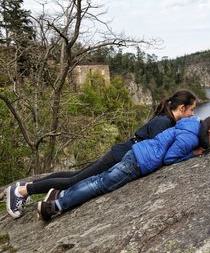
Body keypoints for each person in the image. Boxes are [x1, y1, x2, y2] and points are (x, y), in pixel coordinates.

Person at [6, 90, 197, 218]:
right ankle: (22, 191)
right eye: (192, 110)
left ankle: (27, 186)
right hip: (121, 156)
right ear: (181, 108)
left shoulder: (166, 120)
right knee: (74, 180)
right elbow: (157, 151)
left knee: (75, 175)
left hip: (121, 152)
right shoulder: (164, 122)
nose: (193, 114)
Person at [37, 116, 210, 221]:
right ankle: (55, 206)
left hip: (136, 152)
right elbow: (170, 158)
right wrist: (192, 154)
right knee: (100, 185)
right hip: (139, 163)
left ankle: (63, 195)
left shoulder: (191, 123)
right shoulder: (191, 139)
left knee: (99, 178)